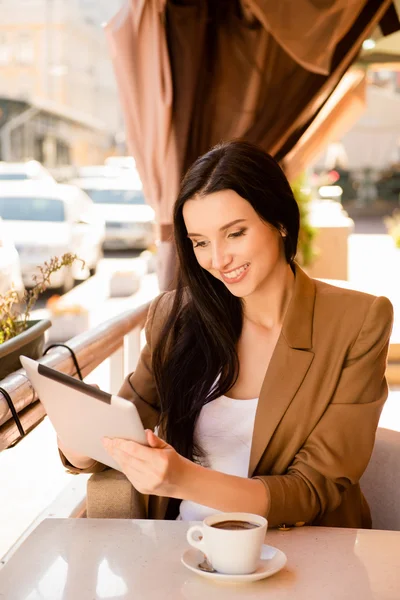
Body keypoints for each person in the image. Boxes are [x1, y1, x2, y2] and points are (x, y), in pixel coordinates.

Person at [59, 140, 393, 528]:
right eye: (200, 242)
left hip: (303, 552)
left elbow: (313, 488)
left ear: (280, 221)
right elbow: (127, 422)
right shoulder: (176, 316)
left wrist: (183, 479)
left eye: (235, 234)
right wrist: (81, 443)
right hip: (187, 550)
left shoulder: (358, 321)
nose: (217, 260)